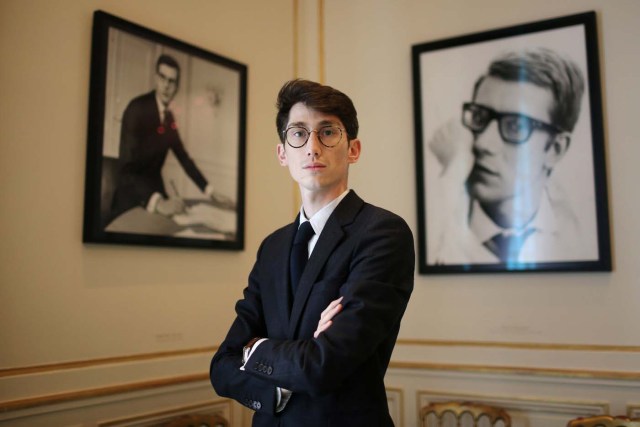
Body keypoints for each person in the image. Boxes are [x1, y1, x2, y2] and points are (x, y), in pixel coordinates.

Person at [210, 79, 414, 426]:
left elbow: (323, 365)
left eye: (328, 132)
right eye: (299, 133)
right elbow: (222, 366)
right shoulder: (272, 247)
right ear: (282, 153)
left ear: (353, 149)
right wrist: (277, 388)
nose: (313, 147)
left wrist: (256, 349)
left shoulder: (383, 233)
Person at [430, 47, 588, 264]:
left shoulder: (579, 238)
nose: (483, 143)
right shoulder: (435, 223)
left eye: (515, 126)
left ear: (555, 149)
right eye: (479, 116)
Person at [109, 54, 232, 223]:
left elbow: (183, 158)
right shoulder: (136, 108)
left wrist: (210, 191)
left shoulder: (169, 118)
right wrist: (157, 202)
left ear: (177, 86)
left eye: (172, 81)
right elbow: (127, 168)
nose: (166, 85)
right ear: (155, 78)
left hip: (158, 199)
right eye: (163, 78)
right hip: (131, 200)